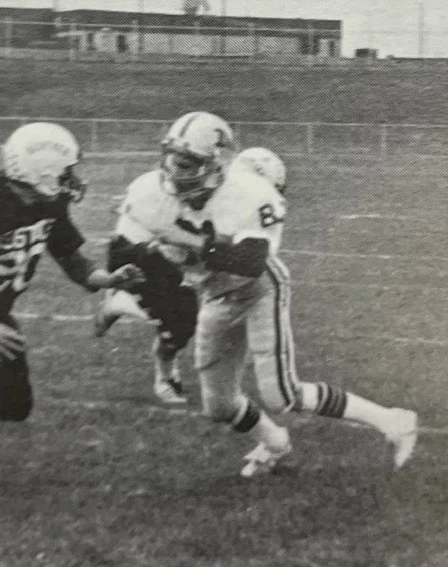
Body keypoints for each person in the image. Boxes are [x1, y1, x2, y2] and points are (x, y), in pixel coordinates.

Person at [188, 144, 417, 476]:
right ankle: (275, 443)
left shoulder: (256, 201)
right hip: (218, 296)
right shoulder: (209, 194)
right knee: (219, 404)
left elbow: (250, 261)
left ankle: (393, 420)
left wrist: (196, 247)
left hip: (259, 288)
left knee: (281, 395)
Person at [0, 121, 143, 420]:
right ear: (40, 170)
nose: (71, 178)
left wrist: (109, 279)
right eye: (65, 171)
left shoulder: (48, 204)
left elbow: (70, 257)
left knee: (15, 409)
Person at [94, 110, 236, 405]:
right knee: (182, 311)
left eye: (185, 163)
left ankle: (164, 373)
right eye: (173, 158)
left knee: (183, 324)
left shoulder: (226, 196)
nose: (174, 169)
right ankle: (122, 304)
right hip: (133, 252)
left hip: (173, 259)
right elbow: (166, 238)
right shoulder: (150, 188)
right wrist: (202, 247)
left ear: (215, 164)